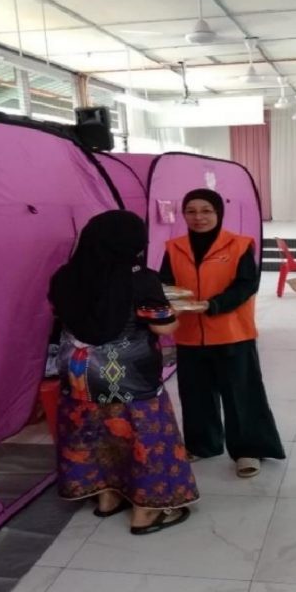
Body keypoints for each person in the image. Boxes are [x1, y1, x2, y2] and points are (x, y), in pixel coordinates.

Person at [49, 210, 199, 535]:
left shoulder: (64, 276)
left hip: (79, 374)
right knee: (145, 436)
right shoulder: (141, 279)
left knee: (93, 432)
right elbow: (163, 326)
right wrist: (175, 313)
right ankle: (145, 513)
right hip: (130, 376)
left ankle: (106, 499)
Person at [159, 188, 285, 478]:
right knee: (195, 394)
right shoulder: (173, 247)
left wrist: (212, 305)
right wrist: (171, 299)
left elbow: (246, 285)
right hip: (190, 334)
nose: (198, 217)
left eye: (206, 211)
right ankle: (203, 445)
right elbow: (165, 283)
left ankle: (248, 449)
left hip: (232, 333)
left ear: (218, 213)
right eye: (191, 211)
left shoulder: (240, 245)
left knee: (241, 393)